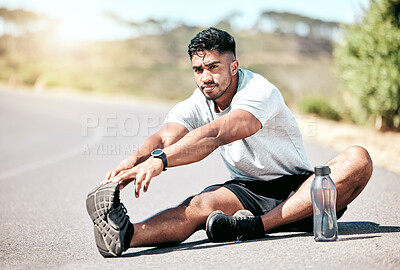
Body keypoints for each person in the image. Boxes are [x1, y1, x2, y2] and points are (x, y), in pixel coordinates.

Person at [86, 27, 373, 257]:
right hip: (248, 191)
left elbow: (216, 134)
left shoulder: (259, 90)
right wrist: (132, 162)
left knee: (358, 157)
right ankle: (126, 234)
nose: (205, 78)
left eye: (213, 67)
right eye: (198, 70)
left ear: (233, 66)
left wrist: (160, 161)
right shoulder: (199, 100)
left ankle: (255, 225)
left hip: (299, 188)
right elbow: (165, 136)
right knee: (200, 204)